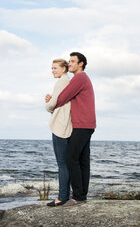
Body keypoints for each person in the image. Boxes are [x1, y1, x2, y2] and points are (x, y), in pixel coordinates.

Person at [47, 52, 96, 207]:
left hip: (81, 125)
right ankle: (81, 195)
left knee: (71, 158)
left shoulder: (79, 78)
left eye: (73, 61)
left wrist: (52, 101)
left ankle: (76, 197)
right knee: (83, 160)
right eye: (69, 61)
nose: (69, 64)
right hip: (86, 124)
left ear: (81, 64)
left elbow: (63, 98)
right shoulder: (82, 78)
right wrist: (54, 97)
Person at [45, 59, 72, 207]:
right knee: (66, 163)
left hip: (60, 126)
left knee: (62, 163)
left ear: (64, 69)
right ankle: (65, 195)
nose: (53, 70)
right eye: (52, 68)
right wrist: (52, 100)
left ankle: (62, 197)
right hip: (66, 125)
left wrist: (48, 104)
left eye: (55, 68)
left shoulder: (61, 82)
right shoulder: (67, 81)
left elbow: (52, 105)